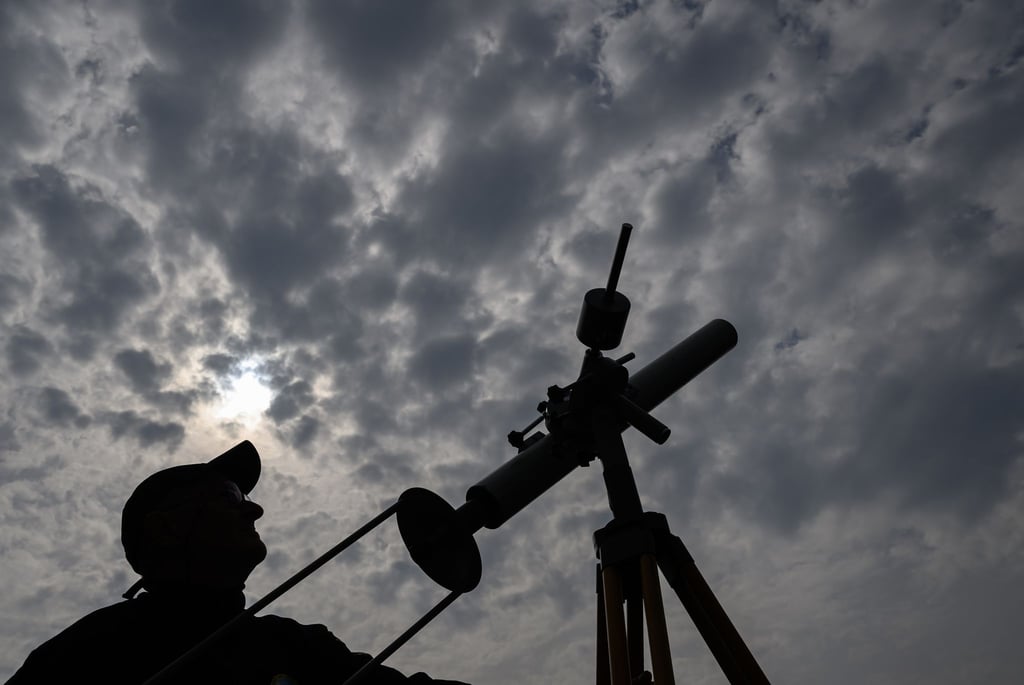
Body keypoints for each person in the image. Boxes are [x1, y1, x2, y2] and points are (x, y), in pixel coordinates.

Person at [7, 441, 470, 684]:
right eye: (230, 497)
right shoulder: (92, 650)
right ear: (165, 530)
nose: (254, 509)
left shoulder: (292, 644)